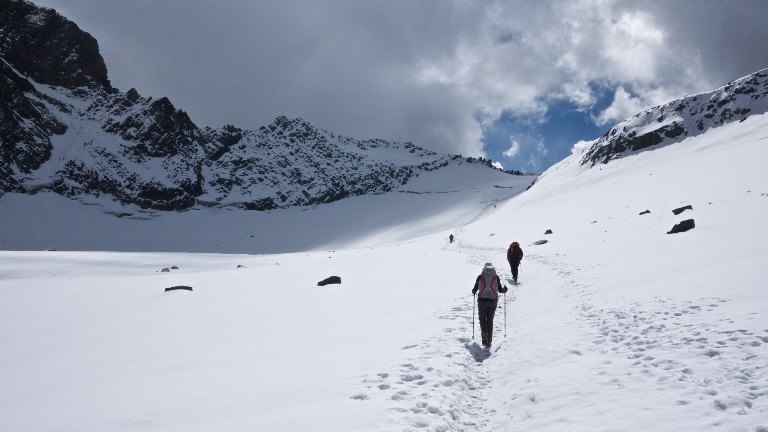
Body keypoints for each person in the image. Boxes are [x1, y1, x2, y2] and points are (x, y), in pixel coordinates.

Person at [472, 263, 508, 348]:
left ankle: (484, 335)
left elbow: (474, 289)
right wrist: (504, 290)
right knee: (490, 320)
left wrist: (474, 292)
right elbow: (500, 290)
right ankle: (489, 343)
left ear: (484, 268)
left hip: (482, 301)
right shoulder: (496, 277)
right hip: (493, 301)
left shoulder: (480, 277)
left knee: (482, 319)